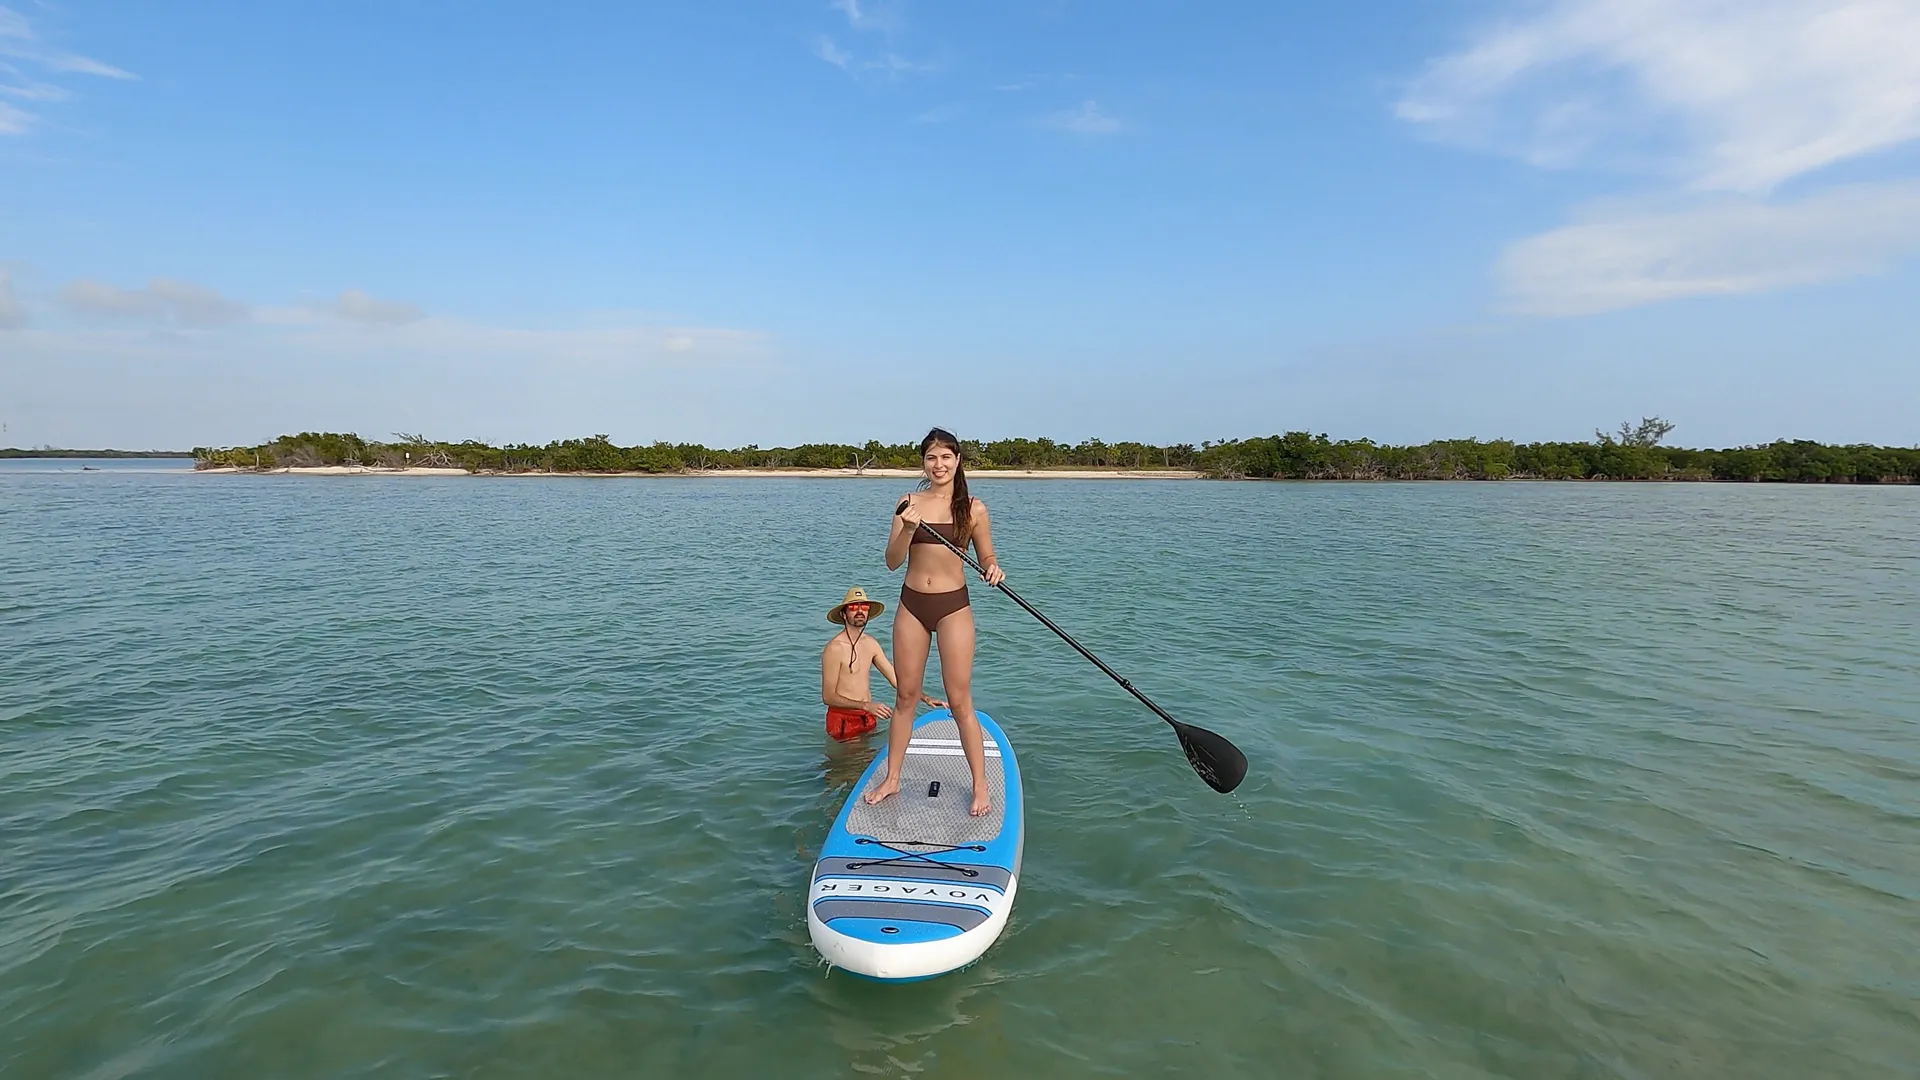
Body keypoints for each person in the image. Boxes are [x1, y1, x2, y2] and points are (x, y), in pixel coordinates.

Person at [864, 428, 1005, 816]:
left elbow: (988, 556)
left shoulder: (973, 508)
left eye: (946, 457)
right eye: (931, 458)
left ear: (957, 461)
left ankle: (980, 785)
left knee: (960, 700)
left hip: (953, 608)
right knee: (906, 696)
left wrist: (993, 569)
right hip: (911, 606)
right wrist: (908, 527)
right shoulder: (908, 502)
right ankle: (892, 778)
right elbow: (892, 562)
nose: (938, 464)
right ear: (923, 462)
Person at [821, 586, 945, 740]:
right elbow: (828, 696)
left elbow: (895, 679)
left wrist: (925, 698)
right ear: (844, 614)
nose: (859, 611)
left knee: (867, 758)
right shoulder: (834, 648)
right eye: (853, 607)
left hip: (868, 716)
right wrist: (866, 705)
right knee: (850, 763)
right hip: (843, 719)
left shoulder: (871, 644)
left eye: (864, 607)